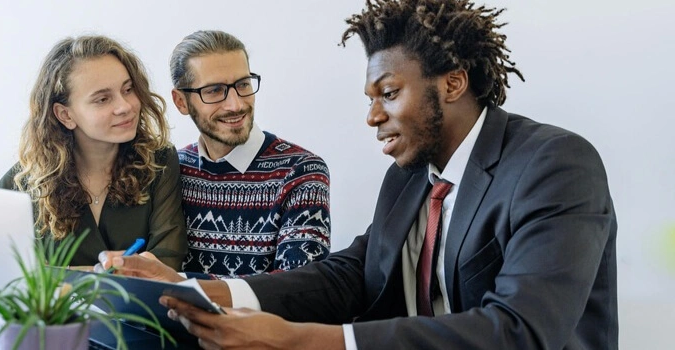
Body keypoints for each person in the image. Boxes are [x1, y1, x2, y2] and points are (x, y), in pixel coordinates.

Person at [103, 1, 618, 349]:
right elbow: (349, 274)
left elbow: (521, 331)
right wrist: (196, 290)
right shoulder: (411, 177)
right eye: (370, 100)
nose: (372, 117)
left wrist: (297, 340)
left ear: (454, 83)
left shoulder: (554, 164)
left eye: (388, 94)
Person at [0, 35, 188, 287]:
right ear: (65, 115)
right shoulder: (32, 176)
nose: (125, 106)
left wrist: (48, 276)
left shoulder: (159, 162)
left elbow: (165, 264)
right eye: (103, 99)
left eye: (128, 90)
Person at [169, 30, 331, 279]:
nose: (236, 104)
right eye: (214, 90)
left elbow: (295, 291)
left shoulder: (301, 172)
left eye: (243, 84)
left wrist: (178, 282)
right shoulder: (172, 169)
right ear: (181, 102)